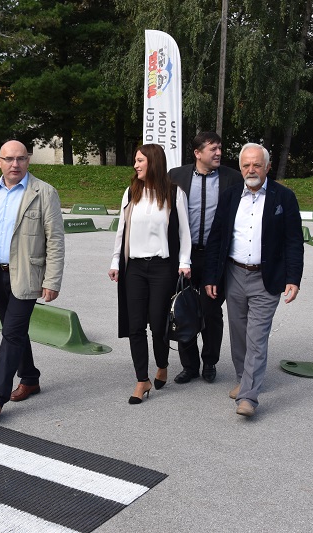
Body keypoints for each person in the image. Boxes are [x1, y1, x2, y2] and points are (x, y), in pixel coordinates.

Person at [0, 140, 65, 419]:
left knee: (11, 333)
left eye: (20, 159)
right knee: (14, 331)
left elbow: (55, 240)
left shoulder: (44, 193)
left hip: (28, 275)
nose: (15, 164)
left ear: (28, 160)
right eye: (9, 159)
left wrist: (52, 280)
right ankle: (29, 378)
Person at [203, 143, 304, 417]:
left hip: (266, 277)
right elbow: (216, 238)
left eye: (257, 165)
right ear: (240, 168)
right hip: (234, 274)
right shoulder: (230, 196)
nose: (251, 170)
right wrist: (211, 276)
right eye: (246, 165)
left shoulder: (284, 197)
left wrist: (293, 277)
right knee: (239, 334)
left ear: (267, 167)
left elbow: (294, 241)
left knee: (257, 336)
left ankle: (248, 396)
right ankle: (243, 378)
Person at [108, 144, 192, 404]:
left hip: (162, 268)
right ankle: (141, 380)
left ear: (153, 162)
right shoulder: (131, 192)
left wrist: (185, 261)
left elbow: (184, 232)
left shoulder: (174, 193)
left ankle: (162, 364)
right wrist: (115, 261)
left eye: (140, 160)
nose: (135, 165)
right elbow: (122, 230)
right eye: (135, 160)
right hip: (134, 268)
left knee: (158, 324)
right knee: (135, 326)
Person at [169, 132, 243, 385]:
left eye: (220, 148)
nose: (219, 153)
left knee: (211, 311)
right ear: (197, 153)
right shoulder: (176, 176)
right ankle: (189, 366)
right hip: (185, 256)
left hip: (216, 258)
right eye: (213, 149)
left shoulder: (233, 178)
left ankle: (210, 361)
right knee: (184, 310)